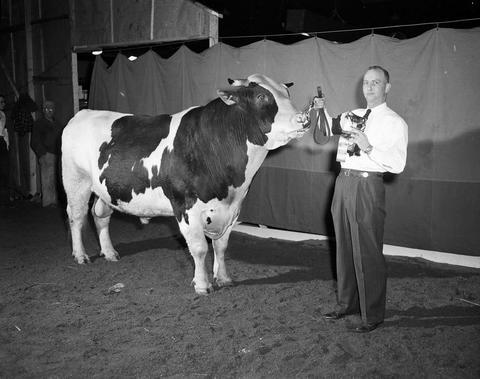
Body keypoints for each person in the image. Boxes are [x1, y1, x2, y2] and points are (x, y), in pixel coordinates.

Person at [313, 66, 408, 333]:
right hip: (343, 181)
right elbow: (323, 132)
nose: (369, 87)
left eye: (376, 83)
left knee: (367, 250)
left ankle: (373, 314)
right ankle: (347, 304)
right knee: (343, 246)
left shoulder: (395, 122)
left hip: (368, 184)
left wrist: (368, 146)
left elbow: (398, 164)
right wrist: (320, 110)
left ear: (387, 87)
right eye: (366, 82)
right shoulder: (351, 115)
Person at [30, 100, 63, 207]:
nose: (48, 110)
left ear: (54, 110)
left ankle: (55, 200)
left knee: (55, 179)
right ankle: (48, 202)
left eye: (51, 108)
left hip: (57, 154)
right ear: (43, 110)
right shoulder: (39, 124)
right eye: (46, 108)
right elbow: (35, 141)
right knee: (47, 179)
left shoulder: (58, 124)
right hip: (46, 154)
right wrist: (42, 154)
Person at [0, 94, 10, 205]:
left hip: (1, 142)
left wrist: (7, 145)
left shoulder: (3, 114)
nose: (3, 104)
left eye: (3, 102)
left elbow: (5, 131)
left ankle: (5, 200)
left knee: (4, 171)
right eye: (0, 102)